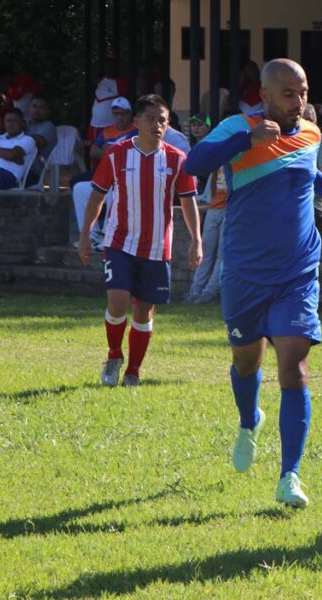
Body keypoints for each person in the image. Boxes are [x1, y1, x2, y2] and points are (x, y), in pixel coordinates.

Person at [184, 58, 322, 508]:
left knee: (294, 366)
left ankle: (289, 476)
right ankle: (249, 421)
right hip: (245, 272)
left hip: (297, 272)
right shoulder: (237, 127)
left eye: (303, 92)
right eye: (288, 93)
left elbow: (305, 173)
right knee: (246, 362)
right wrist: (247, 140)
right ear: (264, 95)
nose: (298, 101)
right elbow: (193, 164)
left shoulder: (311, 134)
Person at [78, 94, 202, 387]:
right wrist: (85, 235)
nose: (157, 125)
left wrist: (196, 239)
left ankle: (133, 372)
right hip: (119, 242)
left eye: (162, 120)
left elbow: (188, 201)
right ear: (136, 122)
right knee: (118, 302)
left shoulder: (177, 159)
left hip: (157, 247)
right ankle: (114, 355)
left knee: (144, 312)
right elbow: (97, 196)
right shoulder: (116, 154)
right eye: (150, 119)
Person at [72, 97, 136, 249]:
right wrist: (112, 151)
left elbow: (126, 154)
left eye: (123, 113)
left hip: (125, 177)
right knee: (79, 188)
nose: (119, 117)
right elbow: (93, 151)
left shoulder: (136, 131)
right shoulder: (107, 130)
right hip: (106, 174)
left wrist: (108, 149)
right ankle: (91, 234)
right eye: (116, 113)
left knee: (113, 189)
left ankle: (109, 236)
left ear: (130, 114)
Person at [185, 114, 226, 305]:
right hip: (214, 208)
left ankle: (208, 293)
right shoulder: (218, 156)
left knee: (221, 255)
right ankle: (195, 291)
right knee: (206, 250)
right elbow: (212, 183)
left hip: (229, 209)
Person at [0, 109, 37, 190]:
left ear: (22, 123)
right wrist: (10, 156)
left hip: (7, 174)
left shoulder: (28, 140)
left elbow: (13, 155)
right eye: (8, 121)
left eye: (14, 121)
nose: (11, 124)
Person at [302, 104, 322, 227]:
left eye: (311, 120)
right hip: (311, 209)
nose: (309, 123)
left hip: (308, 207)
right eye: (306, 119)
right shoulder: (321, 140)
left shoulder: (321, 140)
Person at [25, 96, 57, 186]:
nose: (37, 110)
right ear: (29, 108)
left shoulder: (48, 126)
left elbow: (31, 144)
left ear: (48, 111)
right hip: (16, 167)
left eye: (42, 107)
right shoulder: (24, 124)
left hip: (33, 172)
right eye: (34, 106)